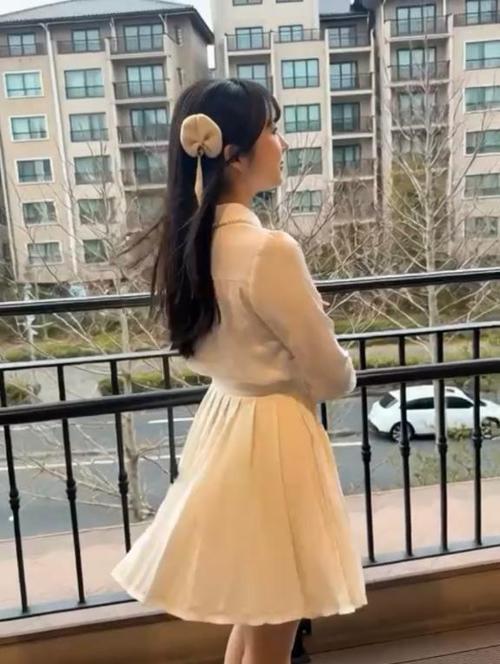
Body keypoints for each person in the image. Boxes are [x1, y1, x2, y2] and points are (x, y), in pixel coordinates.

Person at [111, 78, 367, 664]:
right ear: (235, 155)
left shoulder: (189, 244)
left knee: (254, 614)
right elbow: (332, 377)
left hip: (225, 423)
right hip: (275, 440)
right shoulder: (269, 251)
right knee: (272, 623)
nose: (282, 143)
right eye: (271, 130)